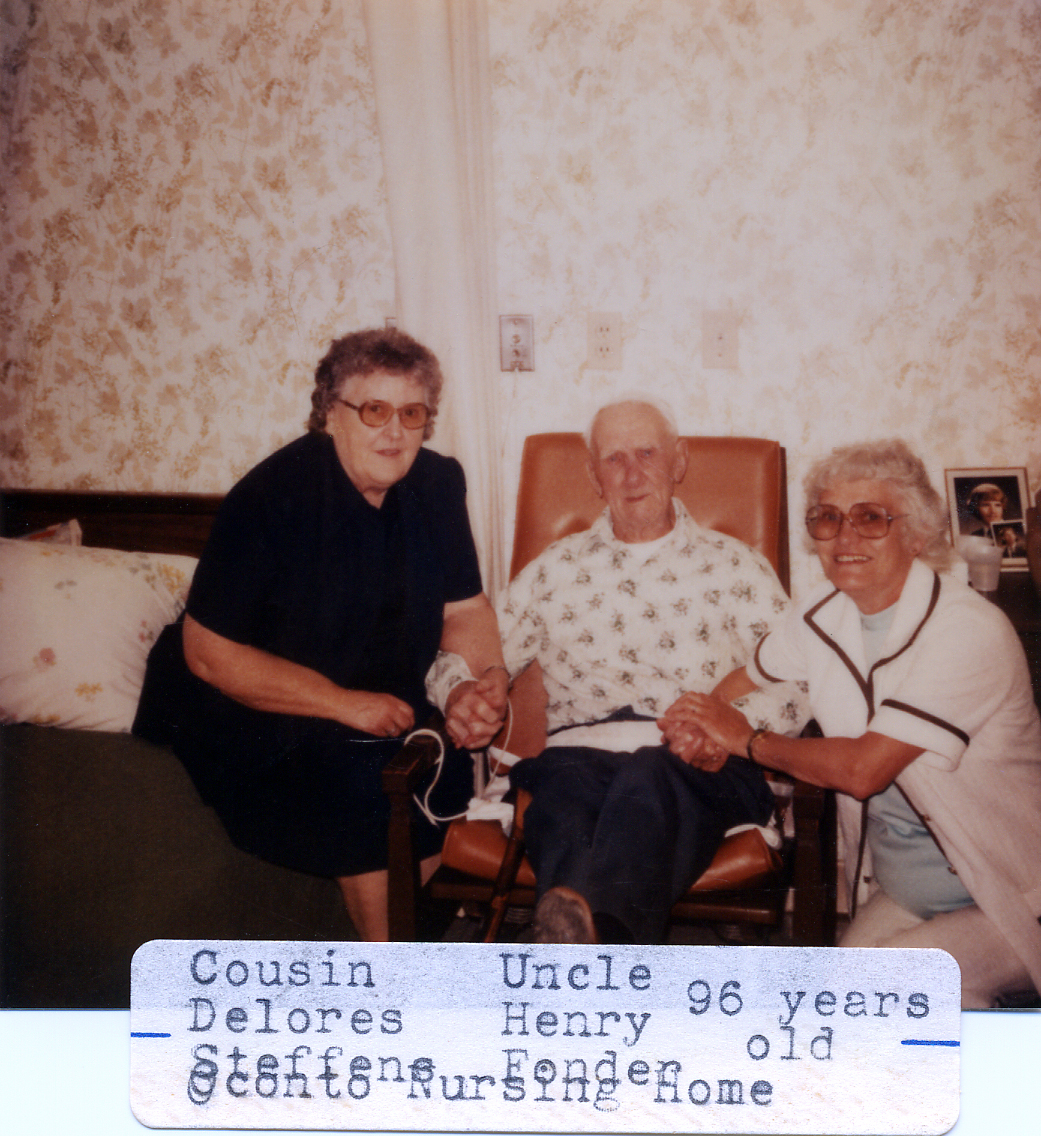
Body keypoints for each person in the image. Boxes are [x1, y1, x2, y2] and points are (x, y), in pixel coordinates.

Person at [133, 328, 508, 941]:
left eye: (411, 413)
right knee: (363, 780)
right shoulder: (272, 496)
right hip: (249, 701)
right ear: (329, 415)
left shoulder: (437, 485)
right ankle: (394, 980)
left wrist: (483, 684)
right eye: (374, 410)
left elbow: (464, 609)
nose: (394, 431)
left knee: (437, 763)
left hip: (372, 689)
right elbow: (208, 654)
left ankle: (409, 939)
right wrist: (343, 705)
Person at [662, 439, 1041, 1006]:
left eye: (870, 518)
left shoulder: (969, 631)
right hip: (905, 890)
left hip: (1011, 891)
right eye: (828, 518)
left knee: (875, 999)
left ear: (916, 533)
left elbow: (865, 768)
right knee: (836, 1008)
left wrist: (747, 740)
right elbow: (749, 675)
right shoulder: (820, 616)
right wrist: (704, 727)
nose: (844, 537)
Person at [428, 397, 806, 944]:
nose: (632, 474)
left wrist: (726, 727)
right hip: (577, 754)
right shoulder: (556, 570)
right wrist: (460, 690)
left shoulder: (735, 565)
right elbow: (466, 657)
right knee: (559, 796)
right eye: (614, 459)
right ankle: (599, 946)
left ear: (678, 463)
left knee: (646, 779)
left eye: (648, 454)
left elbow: (798, 682)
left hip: (700, 763)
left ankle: (581, 954)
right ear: (593, 475)